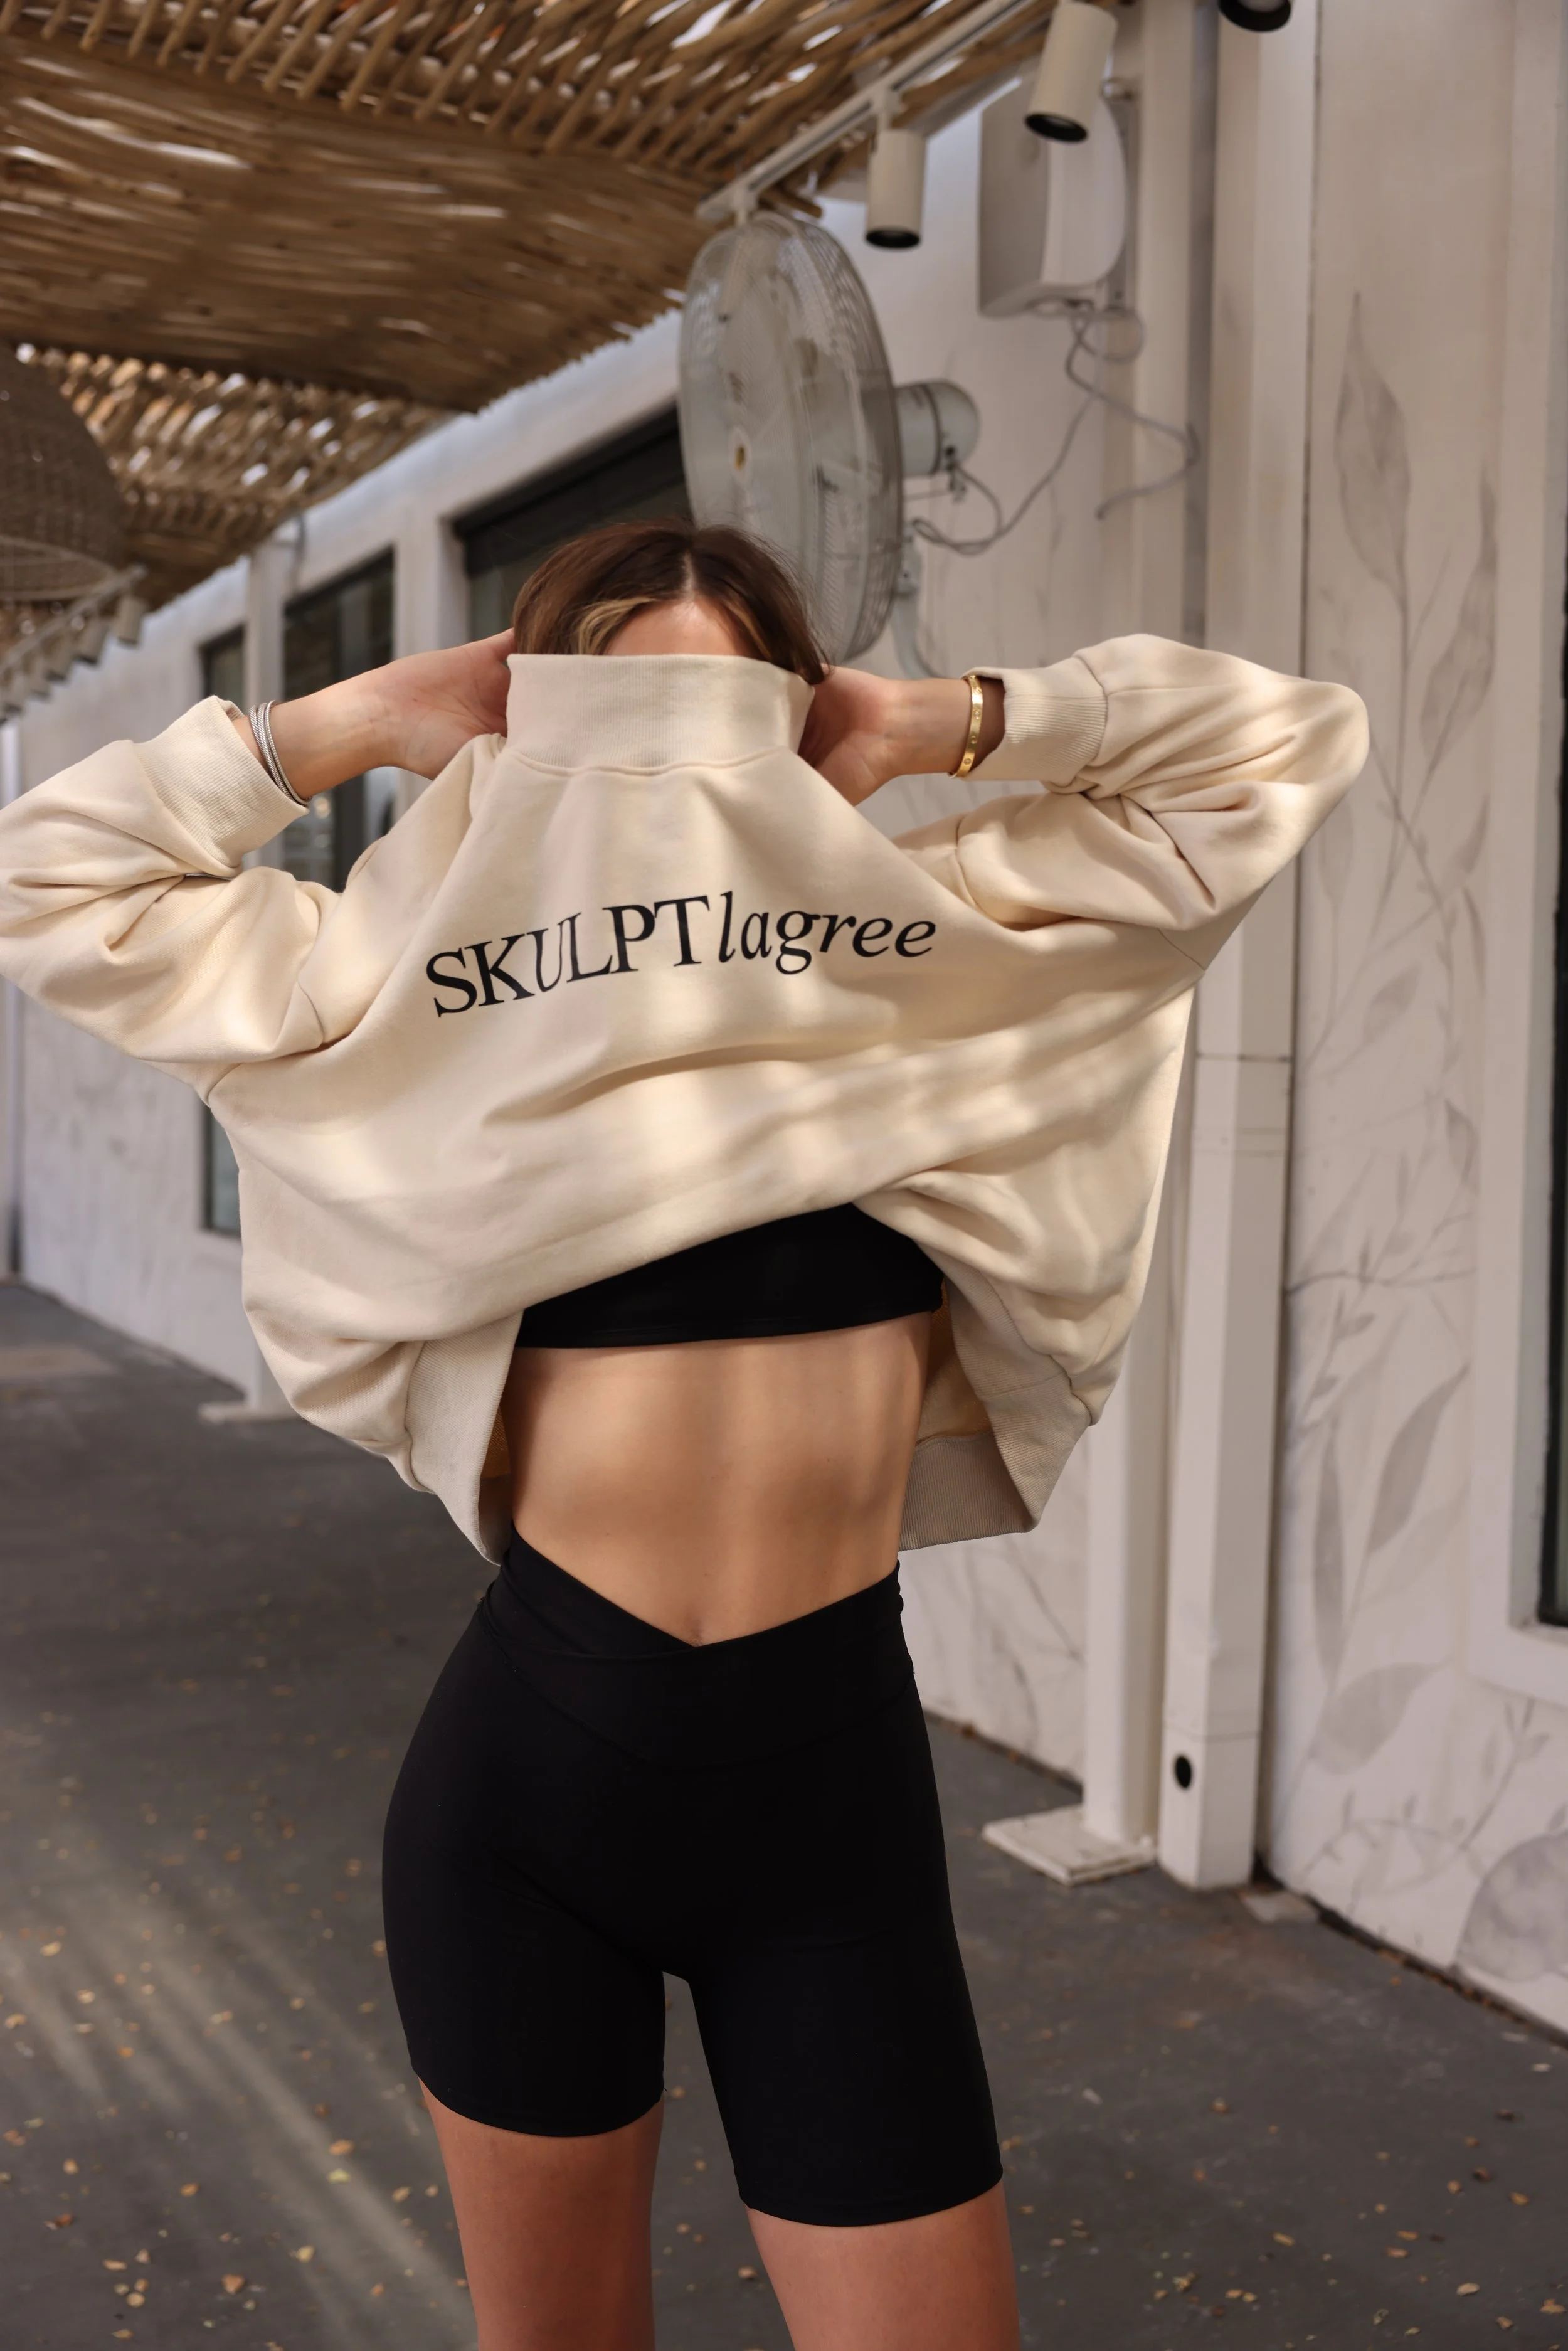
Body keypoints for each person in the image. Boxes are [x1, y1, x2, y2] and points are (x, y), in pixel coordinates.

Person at [0, 519, 1367, 2350]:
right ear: (521, 726)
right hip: (528, 1796)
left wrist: (947, 721)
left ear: (795, 725)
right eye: (613, 710)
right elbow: (50, 875)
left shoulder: (926, 966)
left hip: (830, 1795)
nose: (664, 771)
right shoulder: (397, 985)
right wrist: (356, 719)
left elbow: (1274, 745)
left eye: (721, 709)